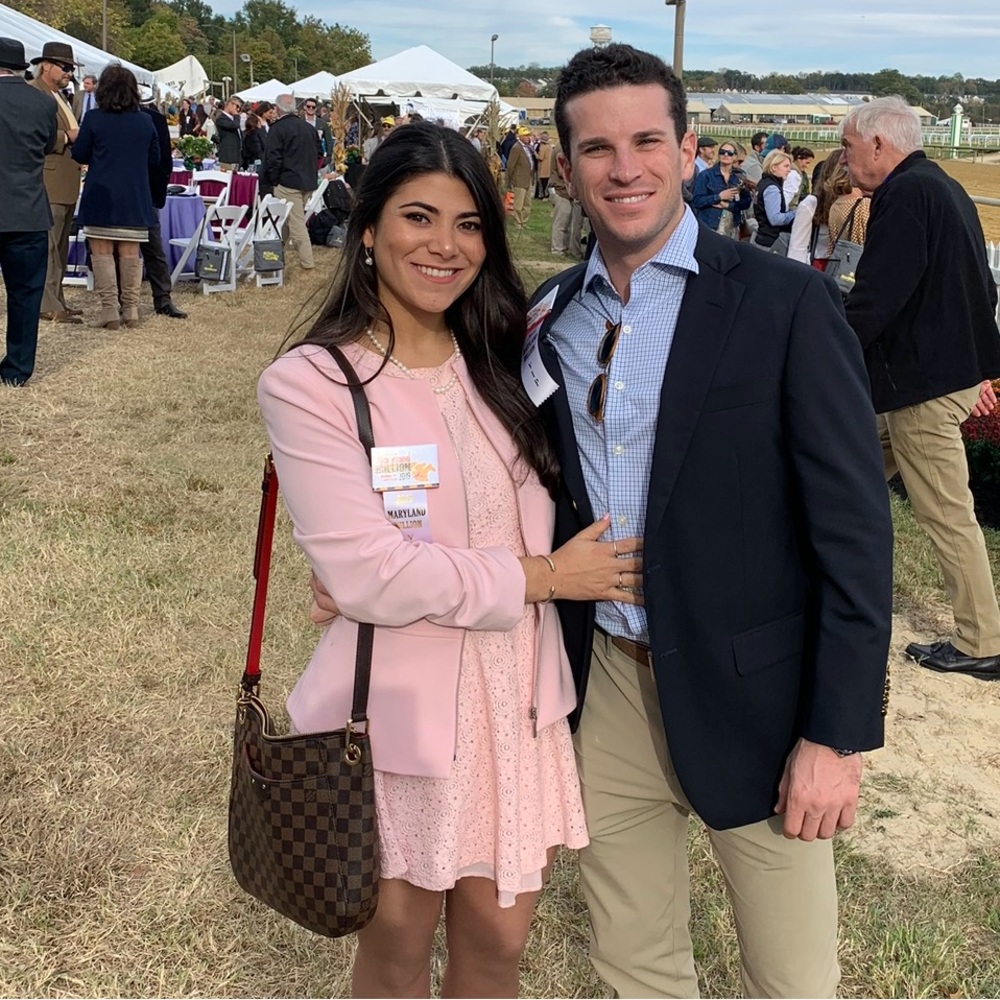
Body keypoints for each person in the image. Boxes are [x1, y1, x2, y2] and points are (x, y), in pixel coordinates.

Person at [536, 43, 892, 998]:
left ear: (688, 150)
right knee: (635, 967)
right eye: (597, 148)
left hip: (760, 701)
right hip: (610, 682)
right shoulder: (553, 315)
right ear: (566, 166)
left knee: (793, 979)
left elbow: (857, 537)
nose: (625, 168)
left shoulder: (787, 302)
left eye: (648, 141)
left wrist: (836, 736)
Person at [260, 121, 640, 999]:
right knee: (397, 947)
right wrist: (544, 579)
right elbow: (370, 574)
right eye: (419, 217)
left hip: (517, 701)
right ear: (367, 229)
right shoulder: (314, 383)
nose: (446, 245)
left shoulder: (505, 359)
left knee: (499, 946)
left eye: (468, 224)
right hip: (398, 711)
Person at [840, 95, 1000, 680]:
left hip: (922, 387)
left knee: (946, 514)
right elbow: (985, 288)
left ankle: (981, 639)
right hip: (934, 378)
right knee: (843, 468)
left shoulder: (905, 195)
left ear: (879, 144)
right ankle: (818, 572)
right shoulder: (943, 187)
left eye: (848, 147)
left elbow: (877, 297)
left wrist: (823, 350)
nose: (844, 159)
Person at [71, 65, 159, 329]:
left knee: (102, 253)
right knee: (131, 253)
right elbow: (154, 159)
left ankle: (109, 310)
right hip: (135, 194)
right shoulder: (146, 121)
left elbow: (79, 154)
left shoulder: (94, 118)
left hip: (101, 192)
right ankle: (131, 309)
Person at [0, 37, 57, 387]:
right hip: (27, 210)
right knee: (24, 295)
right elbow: (48, 145)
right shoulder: (44, 103)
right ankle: (17, 370)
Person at [29, 41, 84, 325]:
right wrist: (67, 137)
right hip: (49, 180)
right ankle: (47, 304)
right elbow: (33, 136)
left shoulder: (60, 95)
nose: (69, 73)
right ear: (46, 66)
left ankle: (57, 299)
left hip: (65, 181)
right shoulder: (35, 93)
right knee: (49, 246)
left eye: (71, 68)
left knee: (60, 247)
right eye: (64, 67)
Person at [137, 84, 186, 320]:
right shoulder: (106, 116)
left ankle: (163, 298)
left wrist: (158, 193)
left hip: (148, 190)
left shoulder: (154, 119)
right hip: (130, 191)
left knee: (153, 247)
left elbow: (163, 160)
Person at [261, 93, 320, 270]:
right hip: (307, 181)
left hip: (288, 182)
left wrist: (274, 180)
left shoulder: (277, 129)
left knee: (296, 225)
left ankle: (308, 264)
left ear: (278, 109)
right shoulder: (308, 128)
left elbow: (273, 158)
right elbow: (319, 153)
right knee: (287, 219)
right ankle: (276, 252)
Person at [690, 139, 750, 238]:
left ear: (735, 156)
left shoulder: (739, 176)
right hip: (710, 226)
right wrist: (718, 197)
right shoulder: (706, 175)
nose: (725, 155)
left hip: (733, 227)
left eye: (730, 153)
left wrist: (729, 205)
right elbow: (696, 201)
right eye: (722, 152)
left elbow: (746, 202)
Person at [751, 149, 797, 254]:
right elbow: (775, 219)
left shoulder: (763, 182)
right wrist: (796, 213)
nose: (789, 170)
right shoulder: (772, 188)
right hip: (770, 243)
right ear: (774, 167)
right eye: (786, 166)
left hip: (763, 238)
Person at [505, 126, 535, 228]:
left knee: (527, 203)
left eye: (528, 135)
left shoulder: (527, 147)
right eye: (525, 135)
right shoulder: (516, 148)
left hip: (527, 178)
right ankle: (518, 222)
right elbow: (510, 165)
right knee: (519, 203)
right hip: (519, 179)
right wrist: (510, 180)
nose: (528, 137)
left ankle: (524, 221)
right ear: (520, 136)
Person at [299, 96, 333, 168]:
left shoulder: (322, 123)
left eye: (313, 107)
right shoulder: (299, 121)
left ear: (316, 108)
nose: (311, 108)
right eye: (308, 106)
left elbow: (329, 141)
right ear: (304, 107)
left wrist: (328, 156)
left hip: (317, 156)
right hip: (302, 155)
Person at [214, 96, 242, 171]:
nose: (238, 110)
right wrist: (236, 116)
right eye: (237, 106)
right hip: (227, 156)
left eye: (239, 108)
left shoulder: (233, 119)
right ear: (230, 104)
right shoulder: (221, 118)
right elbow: (234, 126)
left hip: (236, 156)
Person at [534, 131, 552, 199]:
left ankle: (542, 195)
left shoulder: (542, 147)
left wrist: (535, 153)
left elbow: (540, 157)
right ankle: (547, 195)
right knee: (547, 183)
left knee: (542, 183)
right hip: (548, 167)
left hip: (542, 168)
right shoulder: (550, 147)